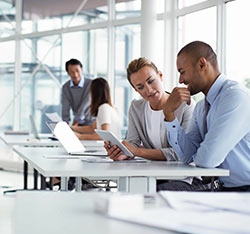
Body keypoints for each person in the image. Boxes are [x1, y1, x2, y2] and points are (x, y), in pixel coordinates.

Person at [105, 57, 207, 191]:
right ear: (135, 90)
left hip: (184, 178)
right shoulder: (136, 107)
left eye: (151, 81)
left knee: (148, 194)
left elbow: (181, 153)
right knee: (128, 191)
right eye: (140, 87)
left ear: (160, 76)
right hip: (154, 175)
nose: (148, 90)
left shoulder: (186, 106)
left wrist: (137, 151)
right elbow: (133, 143)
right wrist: (122, 152)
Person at [163, 41, 250, 192]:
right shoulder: (201, 107)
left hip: (244, 191)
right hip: (223, 189)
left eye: (182, 71)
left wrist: (200, 154)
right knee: (161, 194)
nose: (180, 80)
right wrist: (169, 114)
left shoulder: (235, 97)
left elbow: (208, 160)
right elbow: (187, 155)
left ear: (202, 65)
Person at [61, 58, 95, 126]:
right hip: (78, 123)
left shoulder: (91, 84)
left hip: (93, 122)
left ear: (82, 70)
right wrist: (65, 125)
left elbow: (84, 106)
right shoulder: (66, 87)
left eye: (77, 71)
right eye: (72, 72)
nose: (75, 75)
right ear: (68, 73)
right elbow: (65, 107)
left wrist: (74, 125)